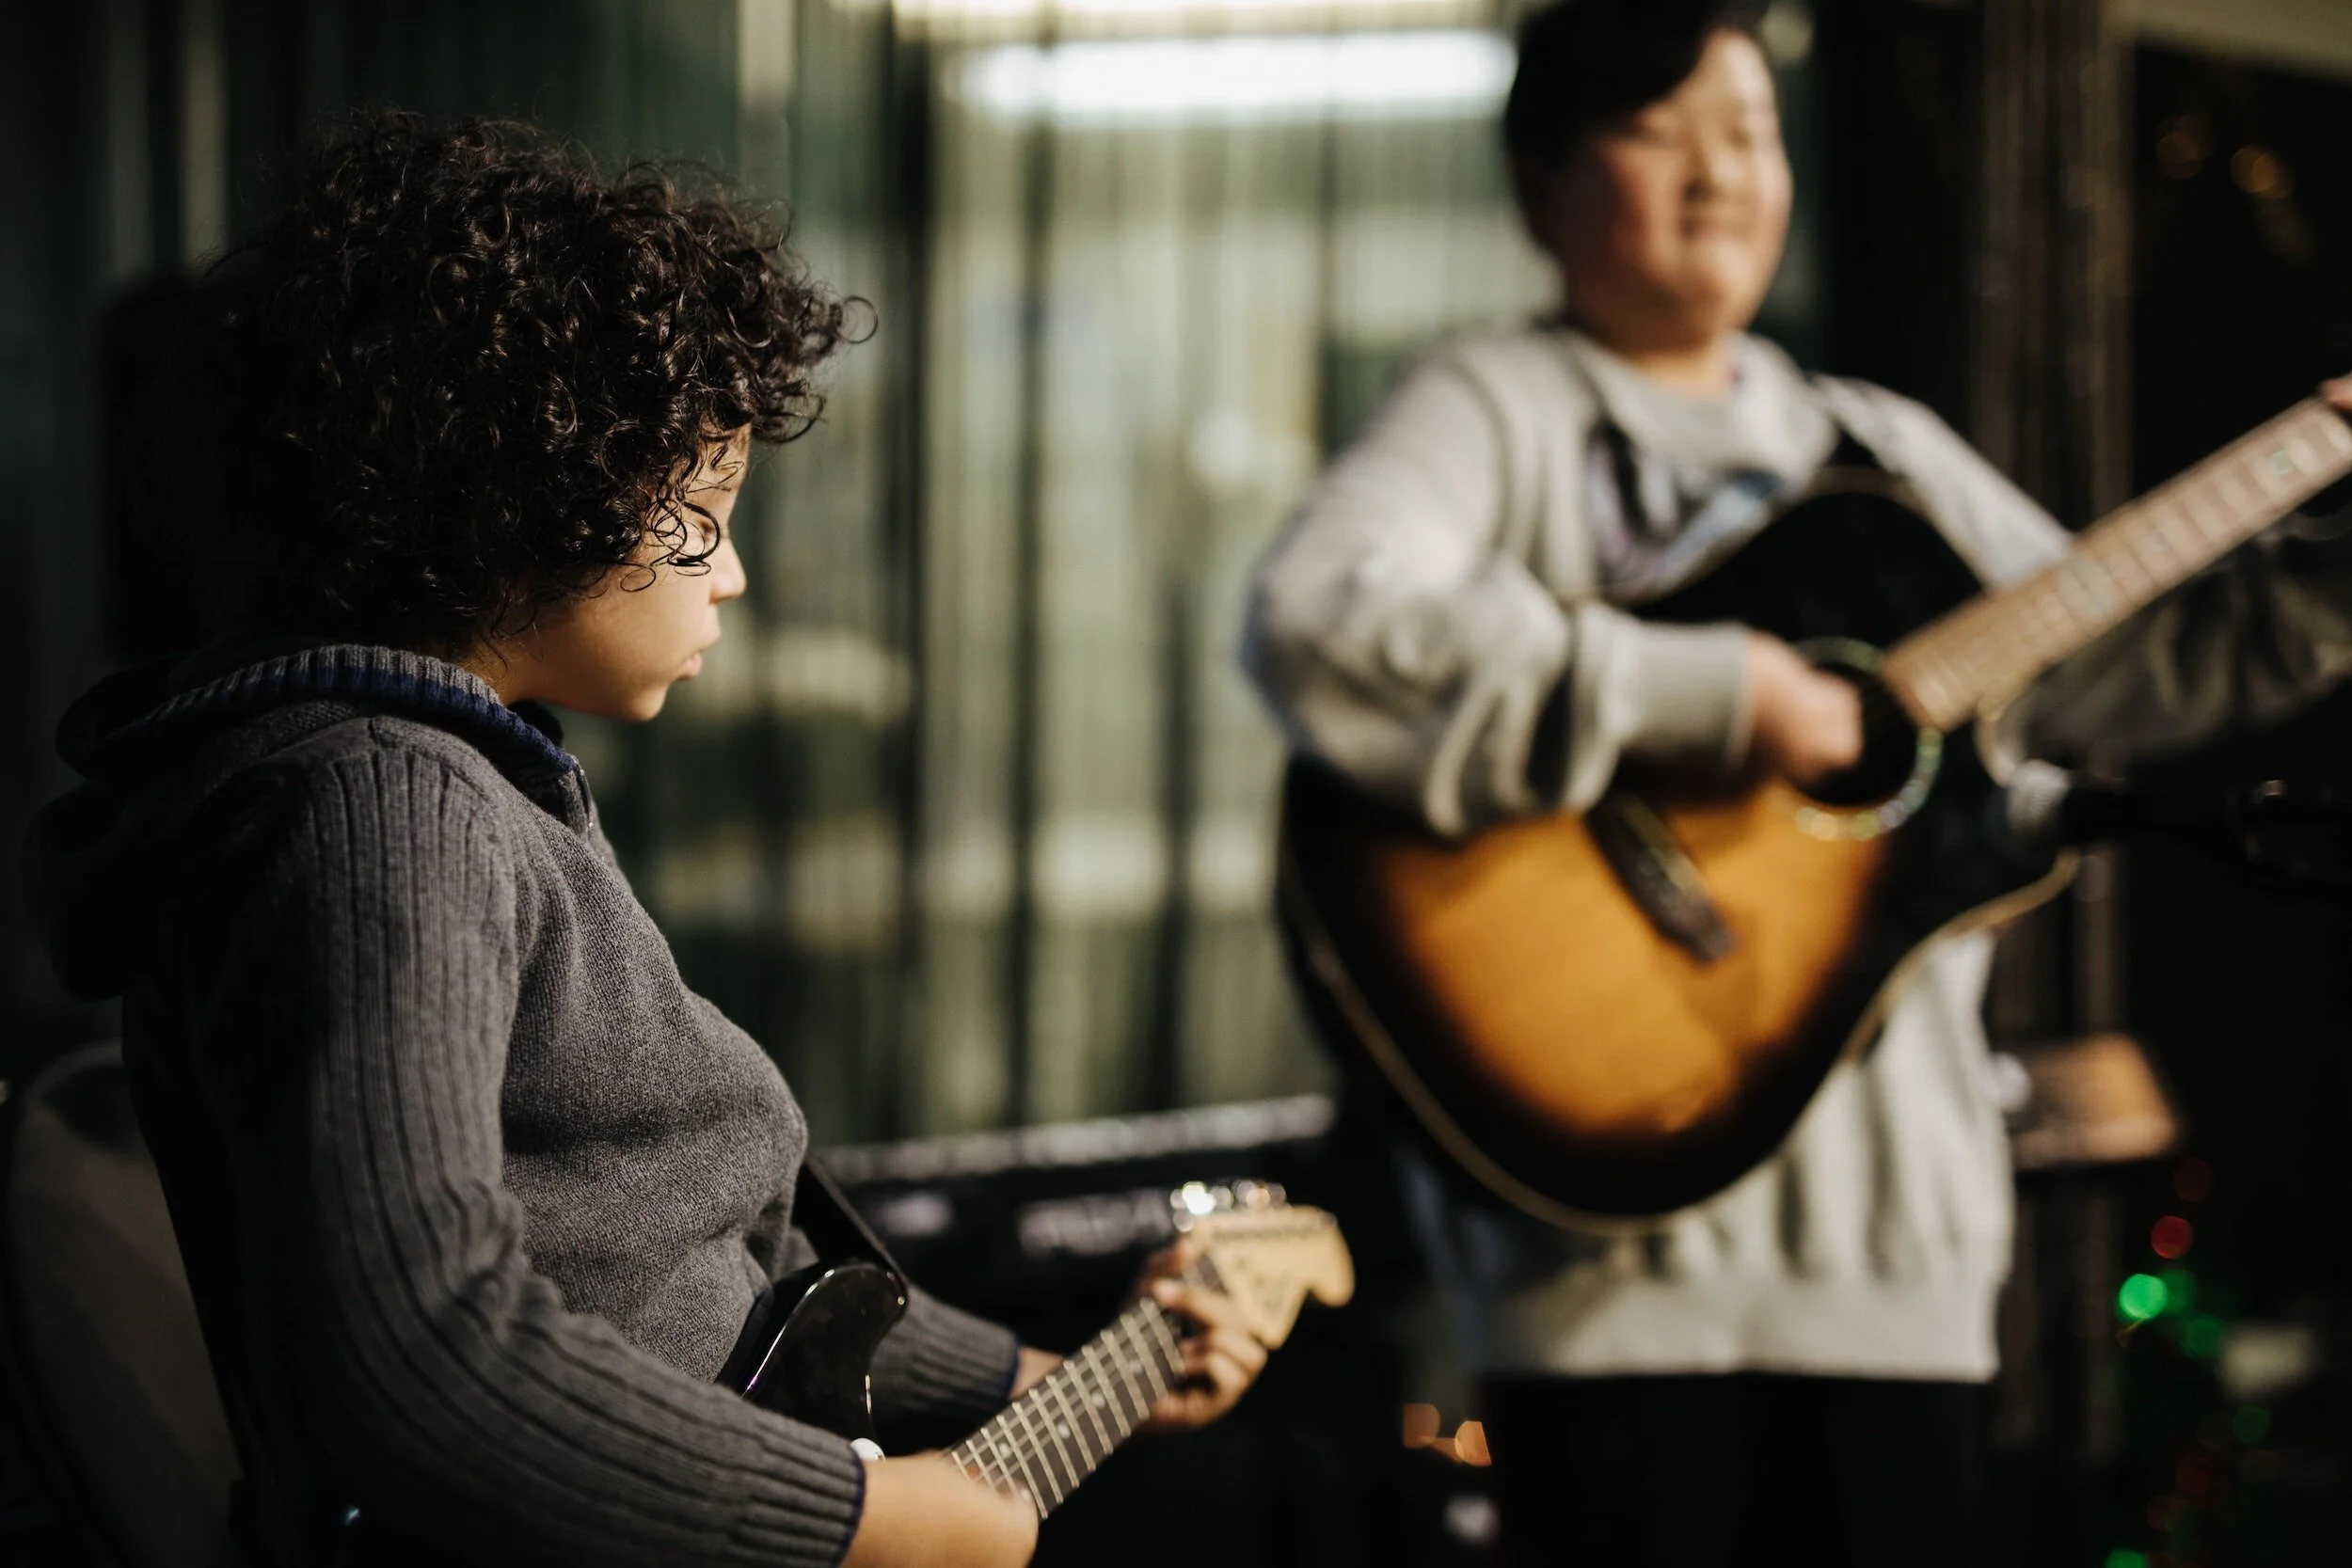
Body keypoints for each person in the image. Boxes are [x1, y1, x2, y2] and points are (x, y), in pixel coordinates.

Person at [25, 114, 1266, 1568]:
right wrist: (859, 1518)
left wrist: (1039, 1383)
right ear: (531, 497)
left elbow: (707, 1263)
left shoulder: (445, 785)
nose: (731, 576)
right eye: (703, 517)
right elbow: (421, 1352)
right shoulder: (390, 803)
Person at [1242, 3, 2352, 1563]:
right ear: (1542, 184)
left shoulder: (1879, 445)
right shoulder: (1500, 404)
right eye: (1662, 133)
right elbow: (1326, 619)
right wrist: (1725, 694)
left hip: (1899, 1267)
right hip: (1602, 1273)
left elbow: (2134, 658)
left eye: (1751, 133)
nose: (1721, 175)